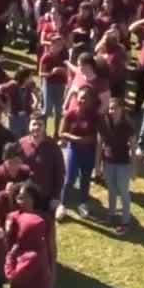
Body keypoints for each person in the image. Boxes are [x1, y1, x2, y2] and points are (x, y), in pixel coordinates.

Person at [57, 88, 99, 220]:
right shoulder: (71, 114)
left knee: (85, 179)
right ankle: (62, 205)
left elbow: (98, 136)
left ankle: (83, 204)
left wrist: (91, 140)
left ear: (91, 101)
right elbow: (61, 133)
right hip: (74, 150)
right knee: (69, 179)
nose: (83, 100)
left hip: (89, 152)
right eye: (81, 97)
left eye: (86, 98)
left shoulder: (95, 116)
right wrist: (77, 139)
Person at [99, 98, 136, 233]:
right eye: (110, 108)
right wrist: (98, 165)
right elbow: (100, 144)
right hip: (109, 161)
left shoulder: (128, 125)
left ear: (121, 109)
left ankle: (125, 221)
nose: (112, 111)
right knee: (111, 189)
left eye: (114, 108)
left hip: (123, 163)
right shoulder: (104, 122)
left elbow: (133, 148)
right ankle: (111, 214)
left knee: (123, 191)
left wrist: (134, 168)